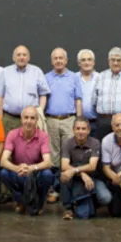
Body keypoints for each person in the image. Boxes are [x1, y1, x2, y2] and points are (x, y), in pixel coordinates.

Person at [43, 47, 83, 202]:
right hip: (51, 120)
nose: (58, 60)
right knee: (53, 156)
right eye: (55, 58)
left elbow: (78, 100)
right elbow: (43, 99)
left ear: (66, 60)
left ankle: (67, 188)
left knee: (68, 155)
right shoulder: (46, 78)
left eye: (61, 58)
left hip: (69, 120)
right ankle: (54, 190)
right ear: (51, 61)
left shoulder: (74, 78)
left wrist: (79, 120)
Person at [0, 106, 55, 215]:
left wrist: (31, 168)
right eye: (26, 117)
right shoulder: (12, 134)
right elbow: (3, 161)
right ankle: (21, 200)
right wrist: (17, 168)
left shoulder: (43, 136)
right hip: (19, 173)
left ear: (37, 120)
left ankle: (39, 203)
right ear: (21, 119)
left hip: (35, 175)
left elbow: (48, 162)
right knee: (4, 173)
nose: (29, 121)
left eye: (32, 118)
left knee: (48, 175)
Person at [59, 117, 112, 220]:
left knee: (106, 198)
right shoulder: (67, 143)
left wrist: (76, 170)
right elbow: (65, 166)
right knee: (63, 176)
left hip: (92, 179)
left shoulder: (95, 143)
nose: (80, 132)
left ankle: (91, 201)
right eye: (78, 128)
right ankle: (68, 207)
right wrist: (82, 174)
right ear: (73, 130)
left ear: (88, 130)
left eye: (83, 129)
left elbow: (92, 166)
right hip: (74, 179)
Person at [0, 45, 50, 134]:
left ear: (28, 57)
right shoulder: (5, 72)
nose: (21, 57)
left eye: (24, 55)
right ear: (13, 57)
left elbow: (43, 94)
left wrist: (39, 112)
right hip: (9, 119)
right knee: (8, 142)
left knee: (31, 142)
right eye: (18, 55)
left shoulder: (37, 72)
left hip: (30, 120)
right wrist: (0, 117)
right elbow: (0, 96)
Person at [77, 49, 98, 125]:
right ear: (79, 63)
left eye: (89, 59)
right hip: (77, 123)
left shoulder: (100, 78)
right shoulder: (73, 78)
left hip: (96, 122)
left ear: (93, 62)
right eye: (83, 60)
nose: (86, 62)